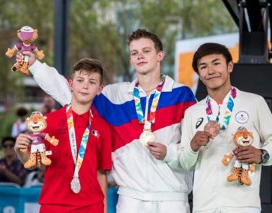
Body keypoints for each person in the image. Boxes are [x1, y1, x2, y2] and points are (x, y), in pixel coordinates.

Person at [17, 29, 196, 213]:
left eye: (146, 51)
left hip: (172, 198)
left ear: (160, 55)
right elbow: (66, 89)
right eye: (134, 53)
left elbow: (192, 150)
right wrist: (34, 65)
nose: (140, 56)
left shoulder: (182, 94)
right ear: (130, 60)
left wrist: (168, 152)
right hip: (130, 199)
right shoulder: (114, 95)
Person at [178, 43, 272, 212]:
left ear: (229, 66)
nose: (210, 70)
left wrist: (262, 154)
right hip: (204, 207)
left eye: (216, 63)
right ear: (199, 74)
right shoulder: (192, 112)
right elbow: (185, 163)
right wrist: (193, 146)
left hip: (243, 205)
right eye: (203, 67)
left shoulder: (254, 102)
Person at [15, 58, 112, 212]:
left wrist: (104, 209)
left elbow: (101, 173)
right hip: (53, 205)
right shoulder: (48, 121)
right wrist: (20, 151)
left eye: (92, 82)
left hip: (91, 207)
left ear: (100, 89)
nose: (85, 86)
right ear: (71, 84)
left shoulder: (103, 127)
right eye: (80, 80)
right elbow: (35, 163)